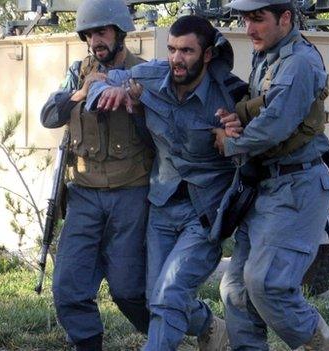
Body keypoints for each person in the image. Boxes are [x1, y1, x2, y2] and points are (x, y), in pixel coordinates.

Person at [87, 15, 247, 351]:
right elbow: (101, 80)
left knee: (169, 292)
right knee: (153, 296)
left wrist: (235, 135)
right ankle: (209, 326)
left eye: (187, 51)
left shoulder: (230, 95)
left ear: (206, 55)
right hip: (161, 205)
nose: (176, 58)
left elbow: (258, 140)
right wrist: (111, 90)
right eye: (172, 49)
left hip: (204, 212)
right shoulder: (148, 76)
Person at [214, 1, 329, 350]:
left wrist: (229, 142)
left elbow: (275, 126)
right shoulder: (268, 55)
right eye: (246, 20)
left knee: (267, 284)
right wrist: (235, 118)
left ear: (285, 18)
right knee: (236, 291)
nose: (249, 29)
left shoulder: (299, 62)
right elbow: (262, 108)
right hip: (266, 183)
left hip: (297, 186)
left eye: (258, 19)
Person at [39, 0, 152, 349]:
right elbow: (48, 116)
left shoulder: (146, 72)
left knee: (128, 289)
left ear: (119, 33)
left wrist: (137, 101)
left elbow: (167, 132)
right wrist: (82, 92)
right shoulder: (77, 72)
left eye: (101, 32)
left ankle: (177, 329)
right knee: (68, 286)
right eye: (89, 34)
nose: (95, 41)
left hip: (131, 193)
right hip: (85, 194)